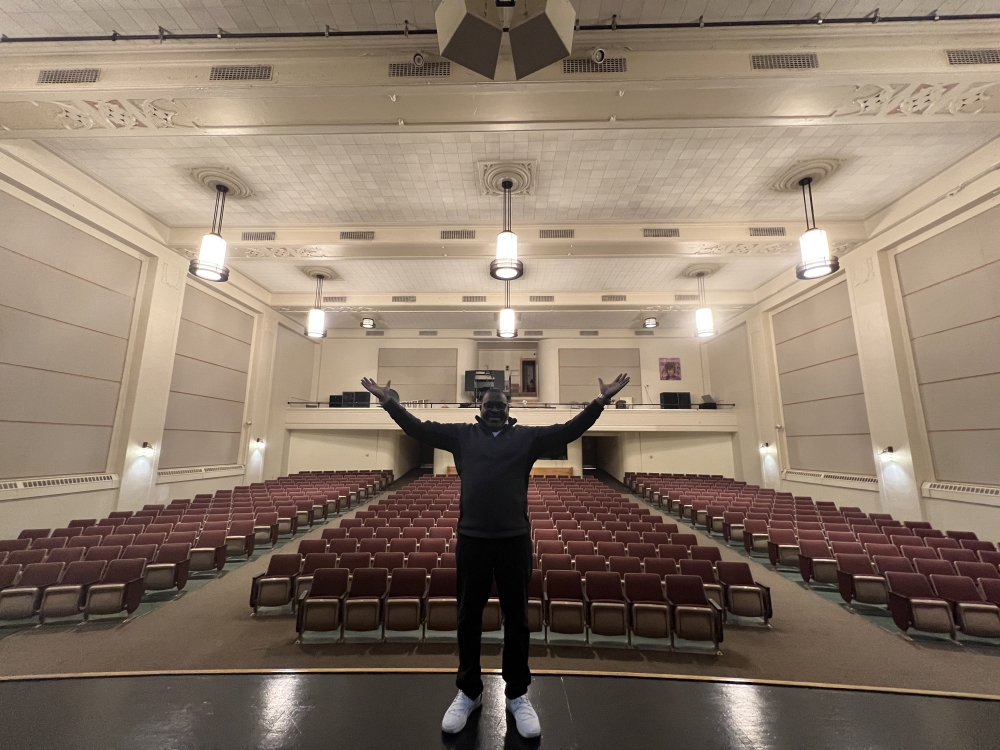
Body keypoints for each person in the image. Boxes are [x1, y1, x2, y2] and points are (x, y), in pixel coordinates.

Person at [361, 373, 630, 739]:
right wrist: (388, 401)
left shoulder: (527, 438)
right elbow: (418, 429)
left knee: (517, 620)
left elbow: (569, 430)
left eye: (500, 406)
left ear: (509, 409)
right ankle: (469, 692)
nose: (494, 411)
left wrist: (600, 402)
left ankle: (517, 694)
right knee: (468, 617)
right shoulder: (461, 436)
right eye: (488, 405)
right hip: (472, 539)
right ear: (479, 409)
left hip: (514, 540)